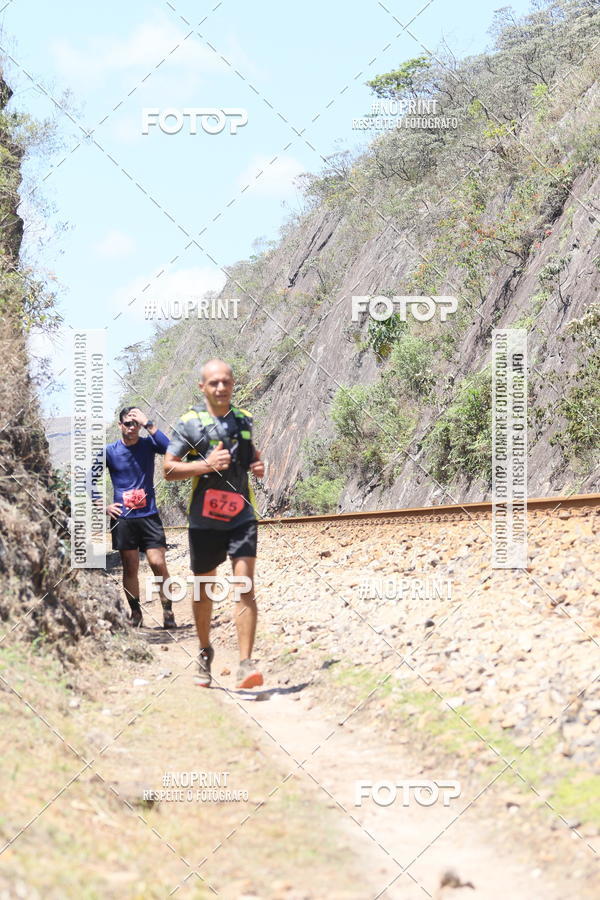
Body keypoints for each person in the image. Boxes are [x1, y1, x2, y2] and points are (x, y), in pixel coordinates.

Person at [163, 359, 265, 689]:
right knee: (204, 589)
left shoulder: (243, 419)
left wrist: (258, 464)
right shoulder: (190, 423)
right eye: (214, 383)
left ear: (233, 384)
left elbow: (250, 453)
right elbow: (168, 469)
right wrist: (205, 465)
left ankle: (246, 664)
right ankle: (205, 650)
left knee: (244, 584)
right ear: (202, 387)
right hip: (204, 520)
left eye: (226, 382)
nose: (221, 388)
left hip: (241, 516)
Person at [93, 406, 176, 629]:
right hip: (124, 519)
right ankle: (136, 613)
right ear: (120, 425)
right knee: (130, 567)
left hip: (149, 515)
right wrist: (104, 506)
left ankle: (168, 612)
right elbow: (89, 480)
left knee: (157, 563)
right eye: (128, 423)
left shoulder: (149, 445)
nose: (132, 427)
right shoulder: (109, 451)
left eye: (135, 423)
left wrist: (148, 423)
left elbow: (170, 448)